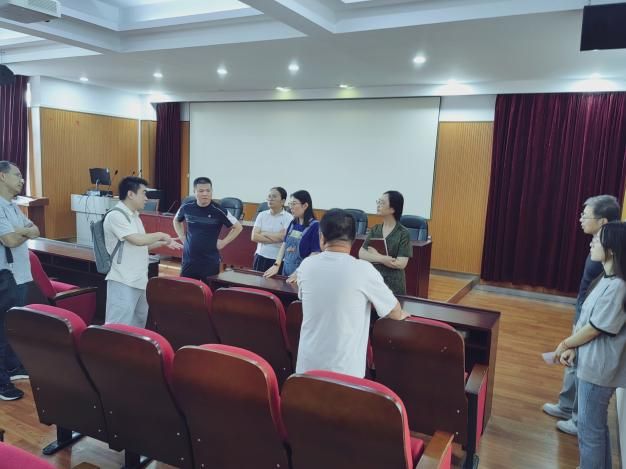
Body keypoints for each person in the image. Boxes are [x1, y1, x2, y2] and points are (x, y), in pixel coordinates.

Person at [294, 208, 409, 378]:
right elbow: (394, 312)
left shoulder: (306, 265)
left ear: (321, 237)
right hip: (345, 374)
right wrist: (401, 314)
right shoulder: (363, 270)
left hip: (307, 368)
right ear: (353, 239)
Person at [543, 195, 621, 435]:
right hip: (584, 309)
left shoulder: (610, 253)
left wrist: (571, 339)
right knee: (573, 361)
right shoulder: (598, 246)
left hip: (593, 315)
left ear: (603, 221)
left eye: (585, 216)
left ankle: (578, 419)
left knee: (578, 359)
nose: (580, 219)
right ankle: (567, 406)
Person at [555, 221, 626, 469]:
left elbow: (595, 328)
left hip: (599, 370)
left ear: (612, 249)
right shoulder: (606, 279)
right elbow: (588, 322)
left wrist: (565, 344)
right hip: (592, 364)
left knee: (589, 430)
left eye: (597, 239)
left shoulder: (619, 286)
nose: (591, 243)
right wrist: (574, 349)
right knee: (595, 427)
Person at [104, 176, 181, 327]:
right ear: (130, 194)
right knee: (117, 328)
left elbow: (141, 246)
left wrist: (163, 242)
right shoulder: (116, 215)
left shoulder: (135, 216)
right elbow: (137, 240)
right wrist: (161, 234)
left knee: (137, 326)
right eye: (143, 193)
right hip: (123, 280)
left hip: (140, 280)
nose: (146, 198)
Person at [0, 161, 39, 401]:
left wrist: (21, 231)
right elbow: (10, 240)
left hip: (20, 275)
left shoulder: (12, 206)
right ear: (2, 177)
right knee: (2, 330)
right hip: (6, 276)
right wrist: (24, 232)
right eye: (17, 175)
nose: (22, 180)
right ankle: (1, 382)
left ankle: (13, 367)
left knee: (12, 327)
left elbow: (35, 229)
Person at [173, 177, 243, 281]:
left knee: (208, 289)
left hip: (210, 262)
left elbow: (238, 227)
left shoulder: (219, 210)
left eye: (208, 190)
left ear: (211, 191)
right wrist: (181, 236)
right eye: (201, 191)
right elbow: (176, 220)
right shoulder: (186, 207)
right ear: (194, 192)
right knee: (187, 288)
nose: (205, 194)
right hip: (189, 260)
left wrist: (224, 242)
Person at [359, 190, 412, 295]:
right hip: (374, 281)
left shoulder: (403, 233)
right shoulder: (375, 229)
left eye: (382, 202)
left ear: (392, 209)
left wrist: (374, 255)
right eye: (378, 202)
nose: (378, 205)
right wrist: (383, 259)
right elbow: (361, 253)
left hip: (394, 285)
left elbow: (401, 263)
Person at [263, 190, 320, 279]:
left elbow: (315, 253)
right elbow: (284, 244)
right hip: (286, 271)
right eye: (290, 204)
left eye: (294, 204)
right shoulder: (293, 223)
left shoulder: (315, 226)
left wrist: (299, 272)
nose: (291, 207)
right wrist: (276, 265)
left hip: (302, 274)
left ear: (305, 205)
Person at [251, 187, 293, 273]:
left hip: (278, 260)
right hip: (260, 256)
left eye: (274, 196)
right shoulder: (262, 215)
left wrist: (264, 233)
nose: (270, 199)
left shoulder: (289, 218)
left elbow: (284, 238)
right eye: (269, 196)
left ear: (283, 201)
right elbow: (254, 237)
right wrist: (277, 237)